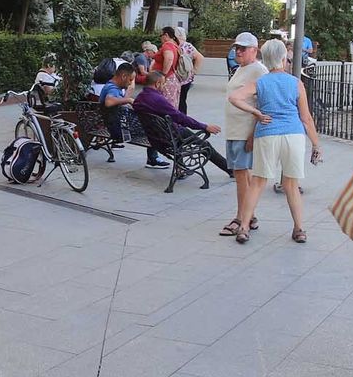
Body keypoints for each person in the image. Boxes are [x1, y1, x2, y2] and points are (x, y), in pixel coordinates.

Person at [231, 39, 322, 244]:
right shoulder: (295, 83)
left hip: (267, 133)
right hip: (293, 134)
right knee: (291, 184)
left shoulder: (260, 83)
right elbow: (306, 118)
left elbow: (235, 97)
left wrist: (256, 112)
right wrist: (316, 144)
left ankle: (244, 227)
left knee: (257, 182)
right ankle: (299, 229)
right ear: (283, 58)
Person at [132, 71, 232, 174]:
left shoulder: (139, 98)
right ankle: (229, 169)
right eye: (163, 83)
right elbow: (180, 117)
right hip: (169, 136)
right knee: (205, 145)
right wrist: (204, 126)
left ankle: (181, 168)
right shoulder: (157, 99)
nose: (164, 86)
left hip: (154, 137)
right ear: (157, 83)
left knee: (180, 136)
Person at [219, 32, 267, 238]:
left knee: (241, 175)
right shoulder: (241, 68)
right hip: (234, 129)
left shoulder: (259, 71)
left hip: (244, 130)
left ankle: (241, 218)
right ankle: (250, 216)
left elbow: (263, 104)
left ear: (254, 50)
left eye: (243, 48)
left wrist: (252, 134)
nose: (238, 51)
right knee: (243, 175)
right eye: (236, 48)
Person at [97, 62, 138, 147]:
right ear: (123, 76)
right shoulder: (113, 89)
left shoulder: (111, 86)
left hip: (114, 125)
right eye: (130, 80)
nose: (130, 83)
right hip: (117, 130)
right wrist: (129, 100)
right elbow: (108, 102)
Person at [157, 27, 184, 107]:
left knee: (165, 105)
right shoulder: (175, 45)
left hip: (167, 79)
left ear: (166, 35)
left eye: (160, 35)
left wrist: (163, 75)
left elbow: (169, 58)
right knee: (171, 104)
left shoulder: (167, 45)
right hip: (172, 79)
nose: (160, 38)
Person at [176, 32, 202, 110]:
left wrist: (194, 71)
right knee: (182, 100)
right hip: (186, 77)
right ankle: (182, 116)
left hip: (179, 76)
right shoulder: (188, 45)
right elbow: (200, 57)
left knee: (178, 101)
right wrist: (193, 71)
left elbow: (200, 57)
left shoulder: (182, 45)